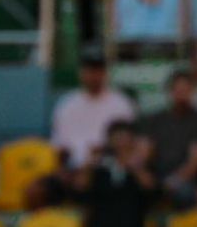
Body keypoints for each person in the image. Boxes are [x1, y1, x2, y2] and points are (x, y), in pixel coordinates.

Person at [50, 121, 157, 227]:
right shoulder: (99, 171)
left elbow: (154, 192)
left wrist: (136, 166)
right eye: (117, 140)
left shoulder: (143, 171)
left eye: (125, 142)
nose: (121, 147)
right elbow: (79, 193)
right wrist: (89, 164)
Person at [50, 47, 139, 182]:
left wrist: (102, 152)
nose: (94, 75)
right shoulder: (66, 105)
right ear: (81, 72)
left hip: (110, 168)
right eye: (89, 70)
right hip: (74, 168)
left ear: (105, 73)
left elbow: (129, 144)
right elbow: (60, 146)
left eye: (98, 70)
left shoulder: (121, 103)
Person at [137, 70, 197, 208]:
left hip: (185, 178)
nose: (181, 94)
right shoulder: (154, 119)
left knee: (185, 193)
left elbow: (195, 161)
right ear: (169, 91)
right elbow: (144, 152)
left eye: (185, 90)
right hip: (157, 175)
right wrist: (142, 173)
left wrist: (174, 181)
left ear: (192, 91)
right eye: (178, 90)